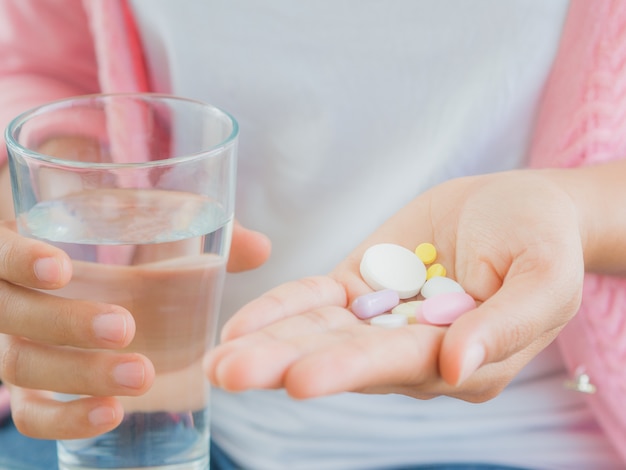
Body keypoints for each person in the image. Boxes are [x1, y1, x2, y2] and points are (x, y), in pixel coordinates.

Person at [0, 0, 625, 469]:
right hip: (147, 412)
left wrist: (575, 212)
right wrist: (51, 195)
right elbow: (44, 59)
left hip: (505, 438)